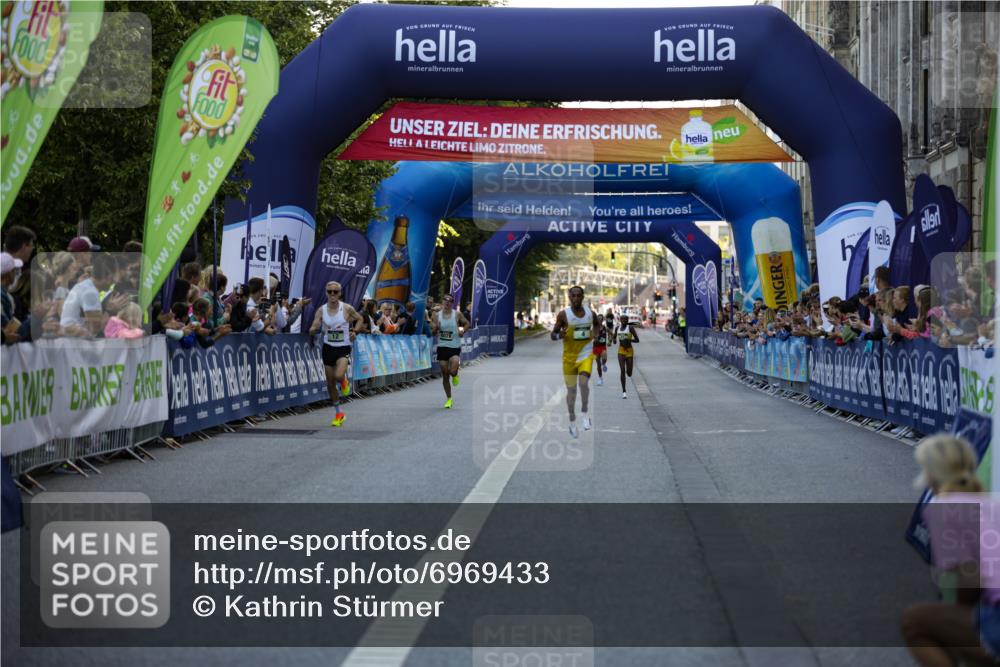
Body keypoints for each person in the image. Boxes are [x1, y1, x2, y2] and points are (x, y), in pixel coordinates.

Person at [900, 434, 999, 666]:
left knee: (914, 621)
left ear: (931, 475)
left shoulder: (944, 507)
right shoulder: (990, 503)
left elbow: (970, 577)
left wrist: (956, 611)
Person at [308, 281, 364, 427]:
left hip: (343, 347)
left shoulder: (346, 308)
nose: (332, 294)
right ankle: (339, 413)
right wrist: (314, 329)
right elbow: (314, 325)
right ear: (326, 293)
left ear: (340, 293)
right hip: (328, 347)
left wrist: (355, 331)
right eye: (330, 291)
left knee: (338, 376)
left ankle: (344, 381)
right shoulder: (321, 310)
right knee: (330, 382)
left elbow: (360, 319)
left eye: (335, 292)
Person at [550, 285, 597, 438]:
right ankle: (572, 422)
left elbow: (597, 325)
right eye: (573, 296)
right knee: (572, 392)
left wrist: (595, 335)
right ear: (569, 297)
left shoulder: (590, 313)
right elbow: (553, 335)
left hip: (586, 355)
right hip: (569, 359)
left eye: (579, 296)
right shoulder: (564, 315)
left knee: (583, 383)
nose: (576, 299)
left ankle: (585, 415)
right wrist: (559, 336)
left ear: (583, 297)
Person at [431, 293, 469, 408]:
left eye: (450, 301)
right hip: (442, 347)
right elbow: (433, 332)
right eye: (445, 300)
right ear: (442, 302)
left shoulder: (457, 314)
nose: (447, 302)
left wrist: (463, 331)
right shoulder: (437, 315)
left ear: (452, 303)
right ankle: (449, 399)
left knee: (452, 371)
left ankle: (455, 374)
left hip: (454, 346)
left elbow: (467, 323)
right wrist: (436, 328)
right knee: (445, 374)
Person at [612, 311, 640, 399]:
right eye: (622, 319)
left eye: (625, 319)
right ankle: (624, 391)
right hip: (621, 351)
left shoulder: (630, 328)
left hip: (629, 351)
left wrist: (630, 340)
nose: (624, 320)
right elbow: (614, 338)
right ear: (620, 320)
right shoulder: (617, 328)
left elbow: (637, 340)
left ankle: (629, 373)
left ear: (627, 320)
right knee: (622, 370)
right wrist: (614, 340)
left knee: (629, 373)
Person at [592, 313, 609, 386]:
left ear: (602, 320)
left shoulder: (604, 327)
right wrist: (595, 337)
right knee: (598, 363)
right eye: (598, 319)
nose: (599, 320)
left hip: (603, 346)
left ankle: (604, 364)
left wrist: (612, 339)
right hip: (596, 347)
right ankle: (600, 378)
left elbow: (611, 333)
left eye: (601, 319)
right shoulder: (594, 328)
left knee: (604, 359)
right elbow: (592, 336)